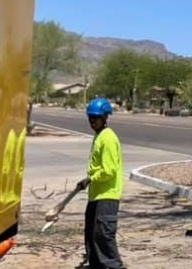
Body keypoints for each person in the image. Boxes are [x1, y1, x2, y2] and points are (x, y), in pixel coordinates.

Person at [78, 98, 125, 269]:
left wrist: (90, 179)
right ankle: (95, 265)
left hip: (107, 195)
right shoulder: (99, 136)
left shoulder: (108, 138)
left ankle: (115, 266)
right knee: (91, 234)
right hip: (96, 195)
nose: (92, 121)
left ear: (105, 117)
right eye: (90, 117)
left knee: (103, 235)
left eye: (96, 117)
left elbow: (109, 170)